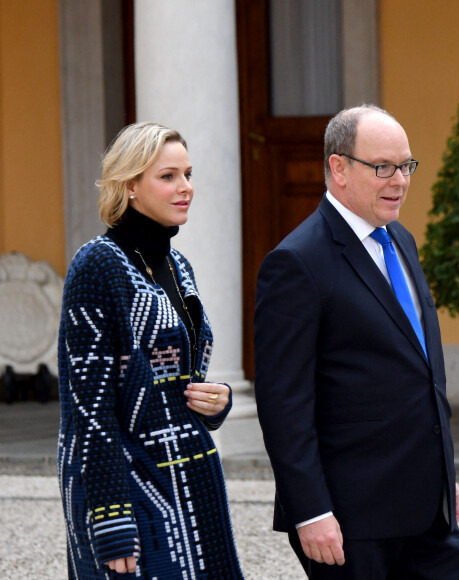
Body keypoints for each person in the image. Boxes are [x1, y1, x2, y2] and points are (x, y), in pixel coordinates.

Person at [254, 104, 459, 579]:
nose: (399, 180)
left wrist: (443, 474)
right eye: (383, 168)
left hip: (428, 510)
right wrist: (309, 511)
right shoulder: (296, 262)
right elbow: (283, 403)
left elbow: (421, 368)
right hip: (352, 521)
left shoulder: (402, 241)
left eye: (406, 166)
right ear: (339, 168)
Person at [57, 122, 244, 579]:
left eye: (188, 173)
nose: (186, 188)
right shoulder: (98, 265)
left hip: (189, 476)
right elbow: (88, 407)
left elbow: (177, 375)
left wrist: (216, 399)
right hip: (125, 482)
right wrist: (111, 520)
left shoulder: (178, 265)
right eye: (168, 176)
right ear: (130, 186)